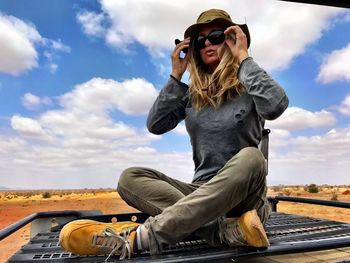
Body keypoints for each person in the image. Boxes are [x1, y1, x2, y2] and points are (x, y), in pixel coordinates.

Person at [59, 8, 289, 260]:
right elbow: (155, 124)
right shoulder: (192, 95)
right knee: (130, 178)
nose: (208, 43)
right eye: (200, 41)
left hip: (244, 197)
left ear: (231, 39)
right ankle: (222, 232)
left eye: (215, 35)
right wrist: (176, 74)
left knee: (252, 158)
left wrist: (243, 57)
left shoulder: (250, 83)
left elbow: (276, 105)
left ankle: (138, 239)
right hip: (201, 192)